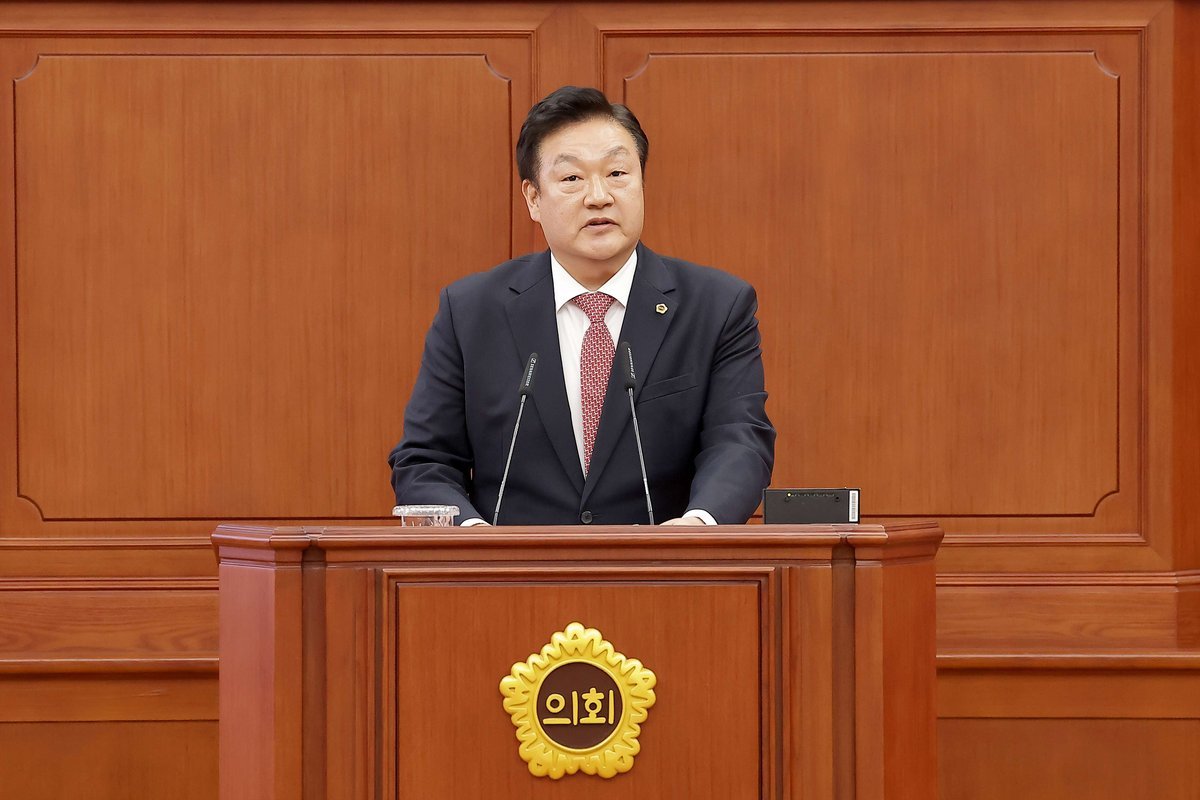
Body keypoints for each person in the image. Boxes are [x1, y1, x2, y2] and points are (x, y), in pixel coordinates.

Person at [388, 86, 774, 526]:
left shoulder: (717, 306)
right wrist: (476, 539)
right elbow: (425, 460)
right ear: (533, 198)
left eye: (617, 173)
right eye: (572, 179)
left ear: (642, 183)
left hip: (664, 562)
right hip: (508, 566)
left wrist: (697, 526)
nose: (598, 196)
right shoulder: (470, 312)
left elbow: (740, 440)